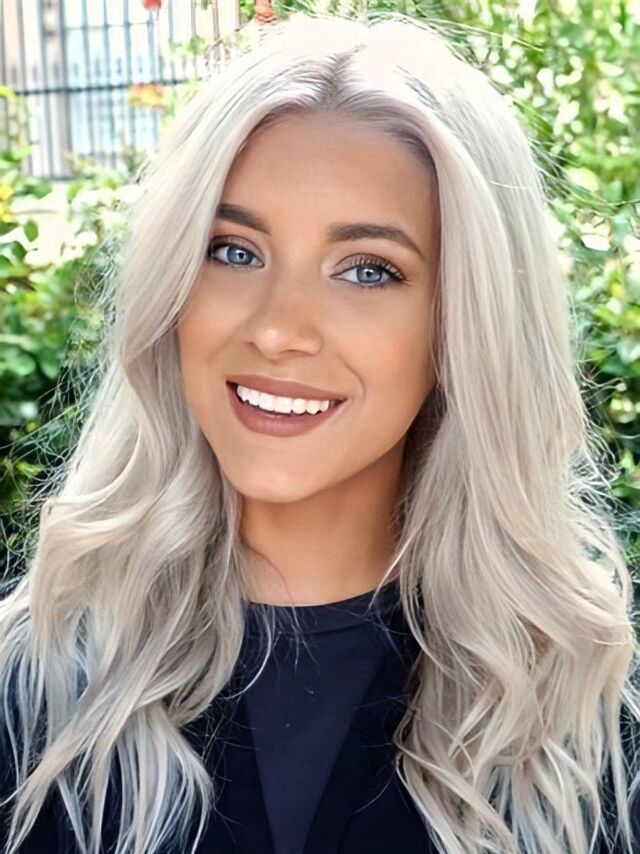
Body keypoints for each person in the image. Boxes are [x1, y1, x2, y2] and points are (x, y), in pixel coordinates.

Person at [0, 10, 638, 854]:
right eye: (233, 251)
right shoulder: (30, 690)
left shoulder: (588, 719)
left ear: (463, 322)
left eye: (367, 270)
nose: (277, 330)